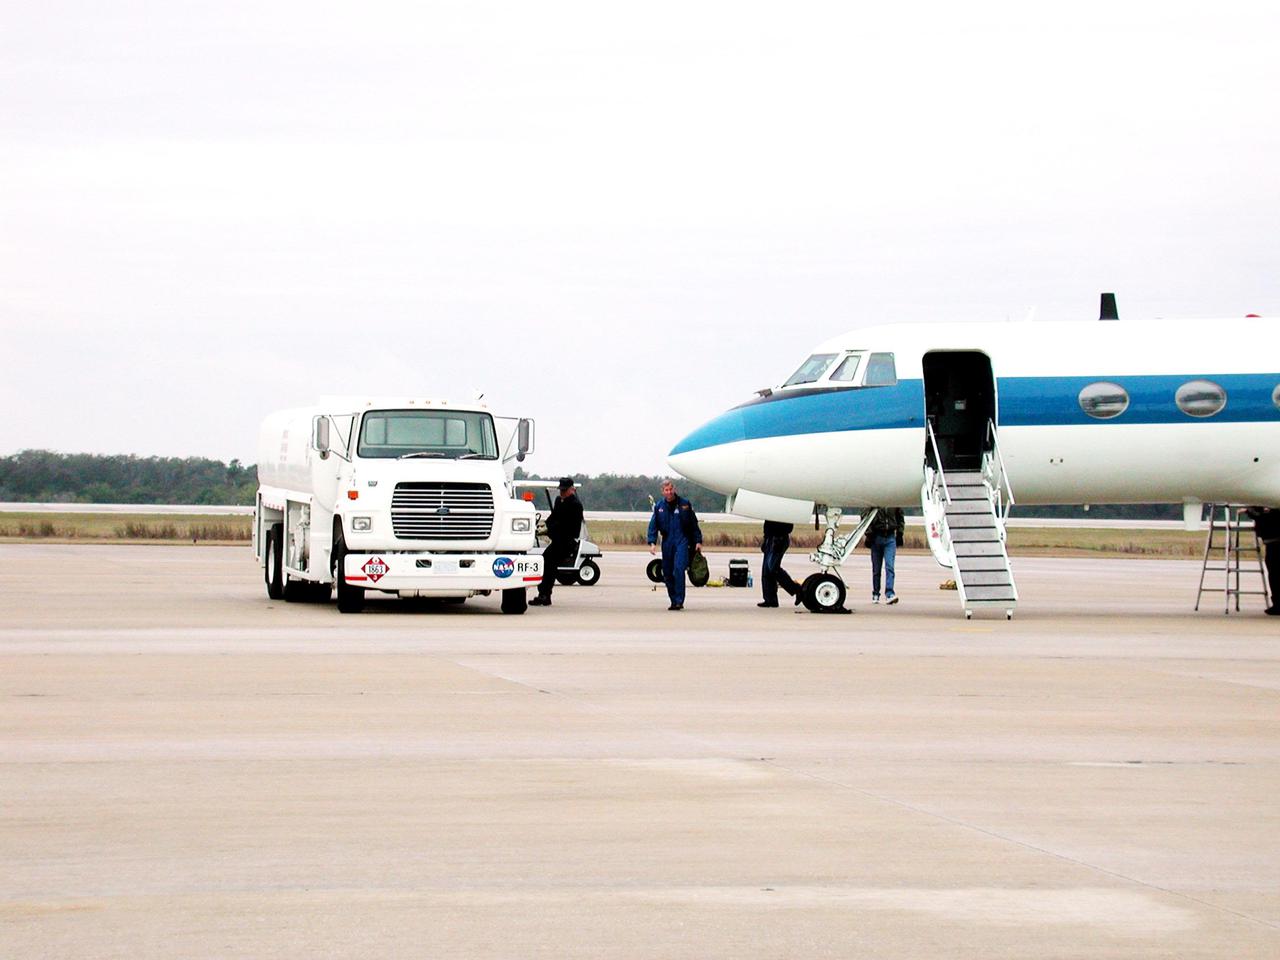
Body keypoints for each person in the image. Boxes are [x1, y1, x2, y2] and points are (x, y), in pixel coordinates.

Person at [647, 480, 703, 610]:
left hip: (682, 541)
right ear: (663, 491)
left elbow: (694, 524)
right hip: (667, 542)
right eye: (666, 490)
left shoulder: (685, 505)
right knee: (667, 572)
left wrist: (698, 541)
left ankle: (679, 600)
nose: (669, 492)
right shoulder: (659, 507)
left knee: (678, 569)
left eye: (670, 489)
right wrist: (652, 542)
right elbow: (653, 525)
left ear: (674, 489)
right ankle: (673, 600)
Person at [529, 478, 583, 607]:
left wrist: (549, 529)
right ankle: (544, 594)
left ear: (572, 489)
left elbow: (567, 525)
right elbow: (554, 517)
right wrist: (543, 526)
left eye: (565, 490)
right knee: (547, 563)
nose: (562, 493)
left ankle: (544, 595)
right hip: (558, 540)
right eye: (561, 490)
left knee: (548, 564)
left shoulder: (575, 505)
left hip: (566, 541)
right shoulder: (559, 501)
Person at [866, 506, 905, 604]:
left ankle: (889, 593)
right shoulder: (875, 501)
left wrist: (900, 533)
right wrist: (869, 533)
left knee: (890, 566)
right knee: (876, 569)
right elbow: (865, 515)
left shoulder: (894, 502)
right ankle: (876, 593)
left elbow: (900, 517)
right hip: (876, 536)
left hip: (890, 537)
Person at [1245, 506, 1280, 615]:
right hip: (1272, 542)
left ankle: (1278, 604)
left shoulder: (1271, 513)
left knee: (1275, 575)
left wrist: (1250, 510)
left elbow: (1259, 516)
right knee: (1274, 574)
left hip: (1274, 544)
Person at [758, 520, 799, 607]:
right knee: (766, 571)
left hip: (779, 538)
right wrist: (766, 538)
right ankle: (770, 600)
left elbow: (788, 527)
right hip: (770, 538)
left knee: (772, 568)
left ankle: (796, 590)